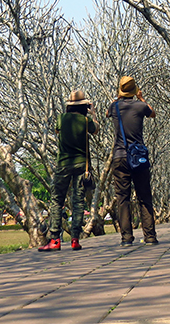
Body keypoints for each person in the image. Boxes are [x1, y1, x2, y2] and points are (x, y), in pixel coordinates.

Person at [38, 89, 99, 251]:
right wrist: (92, 114)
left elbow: (58, 131)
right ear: (84, 106)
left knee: (57, 200)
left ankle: (55, 239)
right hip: (81, 165)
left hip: (63, 164)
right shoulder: (86, 121)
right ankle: (75, 239)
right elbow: (96, 130)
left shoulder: (61, 119)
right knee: (78, 201)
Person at [107, 76, 158, 246]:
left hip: (119, 156)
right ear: (135, 90)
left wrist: (118, 98)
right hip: (138, 157)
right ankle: (150, 236)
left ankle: (126, 238)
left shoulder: (113, 107)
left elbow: (107, 113)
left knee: (123, 198)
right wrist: (141, 98)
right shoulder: (140, 105)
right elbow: (152, 113)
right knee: (144, 196)